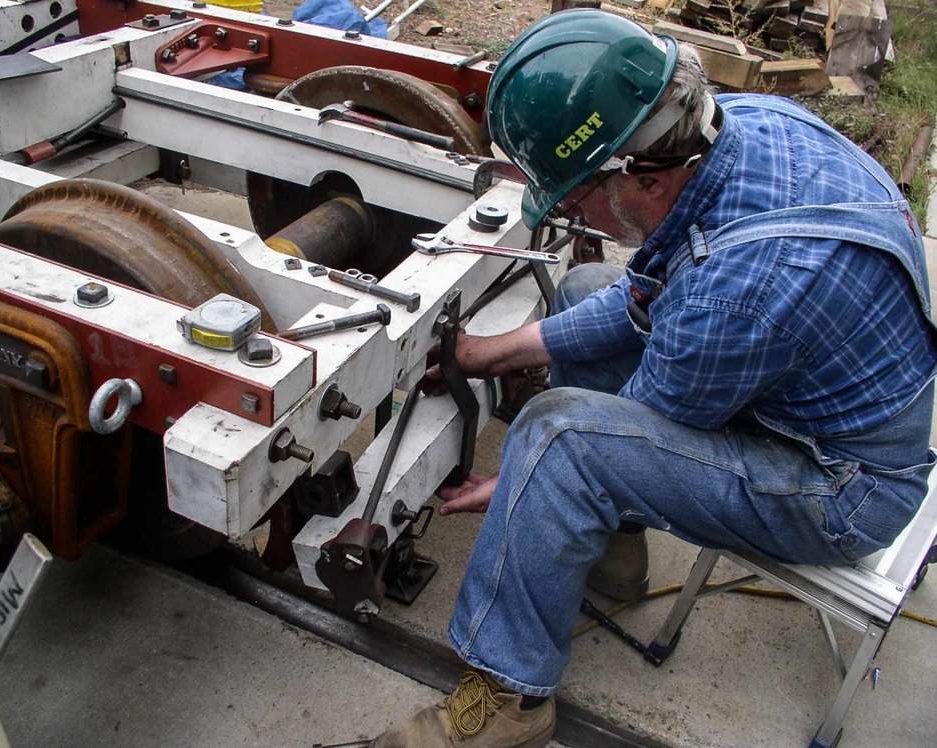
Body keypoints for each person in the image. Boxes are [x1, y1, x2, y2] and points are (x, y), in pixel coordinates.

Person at [370, 9, 937, 748]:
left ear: (641, 176)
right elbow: (639, 299)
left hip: (839, 486)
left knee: (559, 438)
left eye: (573, 198)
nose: (573, 214)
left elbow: (619, 422)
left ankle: (510, 702)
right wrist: (491, 352)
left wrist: (515, 482)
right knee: (584, 290)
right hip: (803, 390)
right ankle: (616, 558)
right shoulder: (738, 127)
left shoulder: (741, 293)